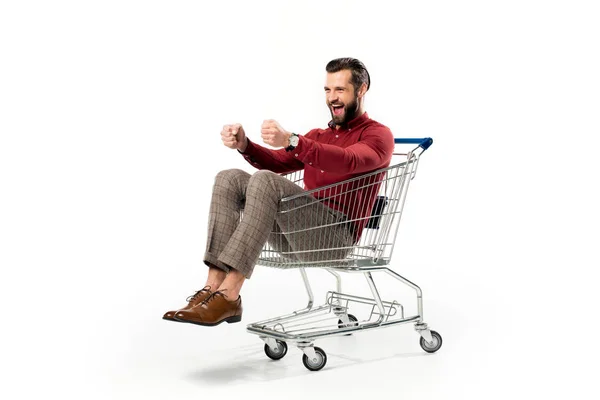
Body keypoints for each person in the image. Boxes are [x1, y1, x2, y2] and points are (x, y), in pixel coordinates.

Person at [163, 57, 395, 326]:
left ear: (361, 89)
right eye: (328, 90)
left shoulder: (378, 135)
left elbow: (348, 159)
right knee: (228, 178)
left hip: (333, 238)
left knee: (266, 181)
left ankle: (230, 293)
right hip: (294, 234)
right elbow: (277, 163)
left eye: (340, 90)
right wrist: (245, 145)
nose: (332, 98)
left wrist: (293, 141)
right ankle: (212, 288)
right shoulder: (318, 135)